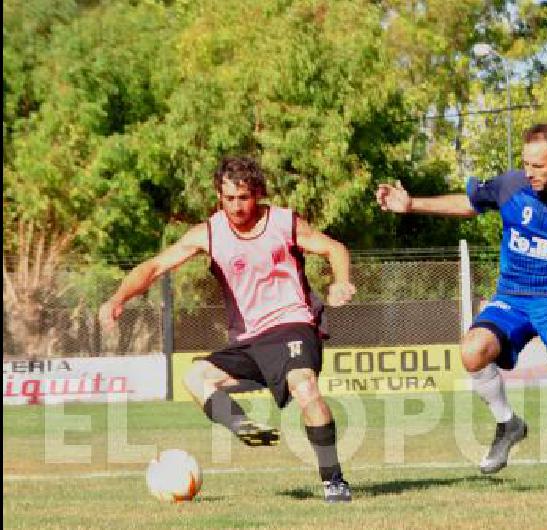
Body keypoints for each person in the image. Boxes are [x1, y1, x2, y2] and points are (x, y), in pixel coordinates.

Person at [376, 123, 547, 489]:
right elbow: (470, 203)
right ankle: (509, 424)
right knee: (472, 351)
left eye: (538, 166)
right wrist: (412, 204)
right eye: (526, 164)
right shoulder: (511, 186)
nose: (530, 172)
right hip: (513, 298)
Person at [99, 156, 356, 502]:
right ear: (219, 196)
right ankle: (242, 426)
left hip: (291, 324)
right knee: (195, 378)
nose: (237, 206)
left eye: (244, 197)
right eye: (229, 198)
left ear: (258, 194)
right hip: (248, 340)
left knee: (304, 386)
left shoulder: (283, 222)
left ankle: (333, 480)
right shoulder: (208, 233)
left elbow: (333, 248)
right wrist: (118, 298)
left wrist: (341, 281)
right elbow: (155, 266)